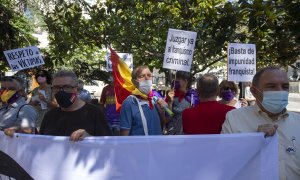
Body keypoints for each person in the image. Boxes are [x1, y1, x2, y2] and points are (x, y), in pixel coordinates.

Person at [221, 66, 300, 180]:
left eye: (285, 87)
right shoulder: (234, 119)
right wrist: (254, 141)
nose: (280, 91)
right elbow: (225, 163)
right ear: (254, 91)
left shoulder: (297, 122)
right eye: (271, 86)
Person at [5, 70, 112, 141]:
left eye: (66, 87)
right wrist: (22, 134)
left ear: (76, 89)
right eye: (56, 87)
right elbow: (41, 143)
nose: (60, 92)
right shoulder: (50, 115)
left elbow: (108, 146)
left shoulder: (94, 113)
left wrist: (89, 138)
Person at [120, 65, 165, 136]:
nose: (147, 78)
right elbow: (124, 135)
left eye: (149, 75)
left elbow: (163, 124)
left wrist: (162, 112)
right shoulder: (129, 103)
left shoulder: (155, 99)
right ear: (134, 82)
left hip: (157, 145)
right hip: (138, 146)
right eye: (142, 76)